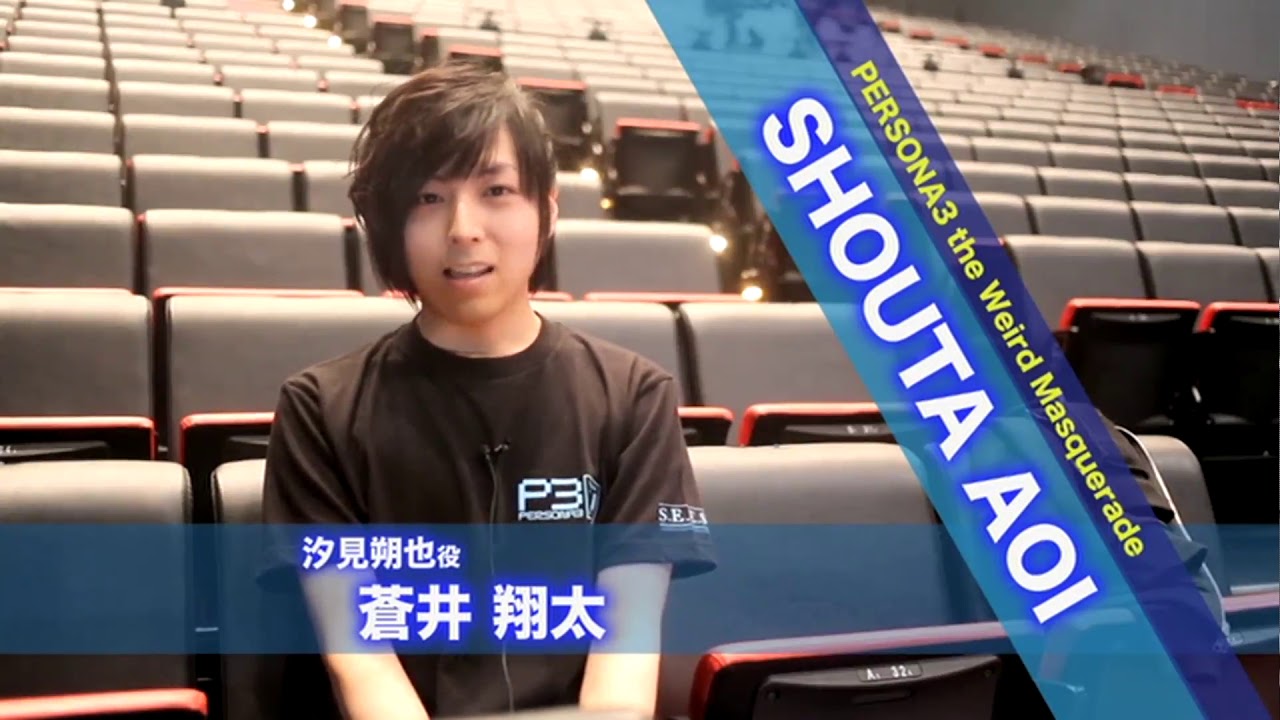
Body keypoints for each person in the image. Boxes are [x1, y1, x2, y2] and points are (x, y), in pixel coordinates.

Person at [260, 63, 716, 719]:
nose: (463, 228)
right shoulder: (319, 409)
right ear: (389, 226)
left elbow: (625, 654)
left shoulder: (635, 397)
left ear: (546, 211)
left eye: (496, 190)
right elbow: (359, 660)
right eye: (428, 198)